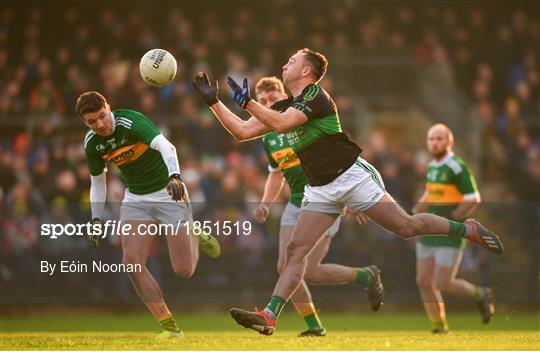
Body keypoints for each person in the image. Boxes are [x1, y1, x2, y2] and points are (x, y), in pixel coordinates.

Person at [214, 48, 503, 336]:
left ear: (306, 72)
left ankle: (468, 230)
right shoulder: (281, 107)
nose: (285, 64)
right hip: (320, 188)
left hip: (351, 177)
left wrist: (249, 102)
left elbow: (283, 124)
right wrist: (213, 101)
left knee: (406, 226)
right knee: (295, 251)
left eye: (292, 61)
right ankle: (270, 315)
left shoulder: (315, 95)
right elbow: (240, 131)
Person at [193, 74, 384, 337]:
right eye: (262, 100)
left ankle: (365, 276)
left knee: (310, 271)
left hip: (324, 198)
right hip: (296, 202)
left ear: (285, 96)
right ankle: (314, 326)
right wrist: (266, 202)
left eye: (272, 98)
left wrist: (352, 200)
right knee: (287, 267)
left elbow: (343, 157)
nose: (268, 103)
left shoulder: (304, 116)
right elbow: (275, 172)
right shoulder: (268, 136)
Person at [76, 91, 221, 338]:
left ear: (108, 107)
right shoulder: (92, 143)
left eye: (101, 116)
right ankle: (170, 328)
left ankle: (192, 232)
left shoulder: (131, 122)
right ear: (84, 122)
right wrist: (96, 219)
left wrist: (175, 176)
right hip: (136, 199)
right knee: (131, 263)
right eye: (91, 121)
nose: (99, 124)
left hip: (168, 192)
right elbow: (98, 183)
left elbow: (167, 146)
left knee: (184, 271)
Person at [413, 124, 495, 333]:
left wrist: (452, 220)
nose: (435, 142)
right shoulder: (432, 166)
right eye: (431, 139)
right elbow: (431, 193)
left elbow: (473, 198)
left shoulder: (456, 166)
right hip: (429, 231)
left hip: (449, 234)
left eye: (439, 138)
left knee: (443, 282)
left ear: (450, 142)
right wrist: (417, 210)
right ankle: (439, 326)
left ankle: (481, 295)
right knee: (423, 280)